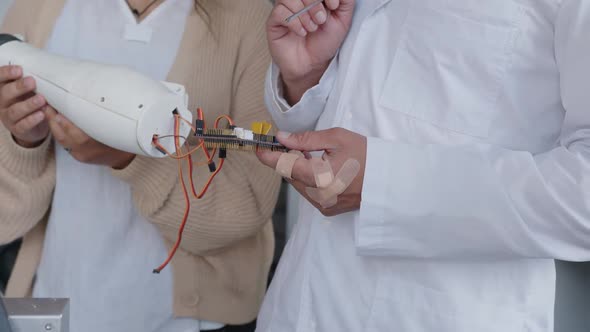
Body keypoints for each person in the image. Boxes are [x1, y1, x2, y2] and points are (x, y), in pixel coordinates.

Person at [255, 0, 590, 331]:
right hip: (299, 298)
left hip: (440, 313)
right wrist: (306, 79)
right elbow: (363, 106)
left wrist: (383, 183)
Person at [0, 0, 281, 331]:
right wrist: (25, 141)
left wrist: (130, 159)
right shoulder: (38, 8)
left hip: (179, 319)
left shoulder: (249, 19)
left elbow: (246, 207)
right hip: (51, 305)